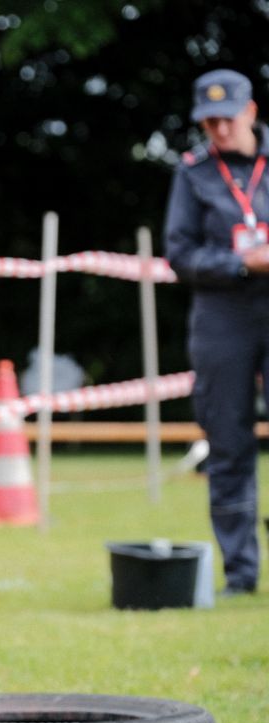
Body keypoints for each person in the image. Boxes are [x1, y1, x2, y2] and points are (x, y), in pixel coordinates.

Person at [164, 68, 269, 597]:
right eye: (209, 122)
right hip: (222, 317)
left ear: (250, 112)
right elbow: (179, 254)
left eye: (227, 119)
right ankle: (241, 573)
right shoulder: (193, 173)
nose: (219, 130)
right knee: (228, 445)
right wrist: (244, 262)